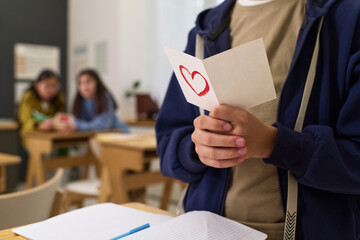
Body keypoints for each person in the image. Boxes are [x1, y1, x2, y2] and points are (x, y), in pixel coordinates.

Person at [156, 0, 360, 239]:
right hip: (208, 229)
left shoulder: (347, 19)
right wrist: (196, 148)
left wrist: (275, 144)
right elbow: (167, 141)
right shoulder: (204, 31)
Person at [18, 69, 66, 142]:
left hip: (55, 138)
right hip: (32, 138)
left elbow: (61, 117)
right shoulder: (29, 98)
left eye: (54, 86)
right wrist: (38, 125)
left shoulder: (59, 98)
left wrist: (55, 123)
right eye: (47, 86)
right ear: (37, 85)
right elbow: (26, 121)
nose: (51, 90)